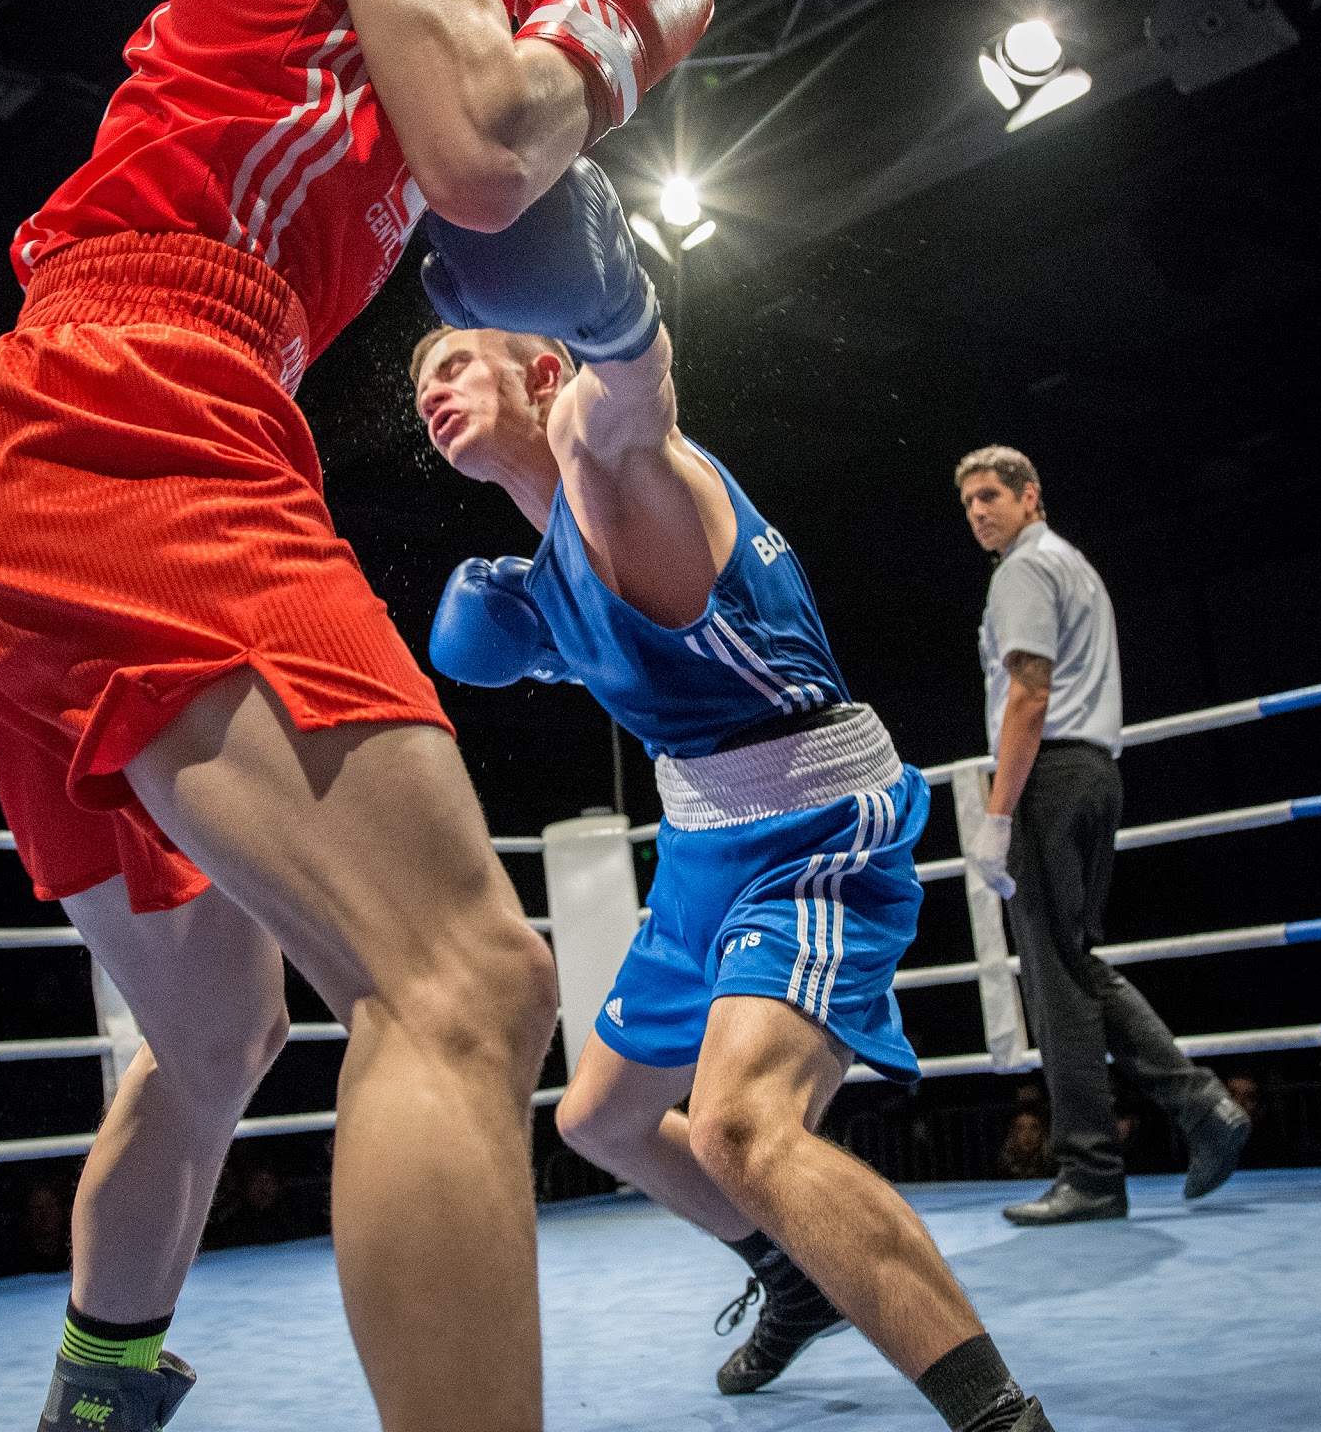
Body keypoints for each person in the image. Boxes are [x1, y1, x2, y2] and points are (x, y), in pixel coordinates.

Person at [0, 0, 712, 1426]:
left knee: (218, 1032)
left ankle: (100, 1391)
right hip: (141, 398)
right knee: (471, 985)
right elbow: (491, 159)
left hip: (53, 442)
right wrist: (608, 36)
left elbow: (477, 195)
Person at [408, 160, 1056, 1430]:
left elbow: (633, 395)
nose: (429, 384)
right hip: (705, 846)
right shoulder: (536, 575)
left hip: (813, 830)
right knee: (601, 1117)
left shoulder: (604, 449)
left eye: (457, 361)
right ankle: (787, 1273)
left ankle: (997, 1414)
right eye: (419, 376)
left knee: (740, 1130)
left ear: (541, 369)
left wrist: (611, 312)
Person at [954, 448, 1251, 1224]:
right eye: (969, 503)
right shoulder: (1073, 564)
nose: (979, 512)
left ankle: (1092, 1170)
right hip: (1093, 774)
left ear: (1030, 497)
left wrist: (995, 814)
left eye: (990, 496)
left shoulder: (1023, 569)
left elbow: (1029, 693)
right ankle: (1199, 1108)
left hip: (1048, 777)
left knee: (1055, 981)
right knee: (1071, 965)